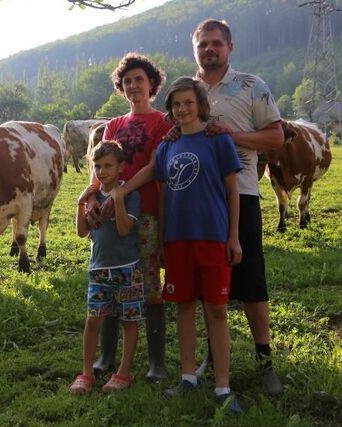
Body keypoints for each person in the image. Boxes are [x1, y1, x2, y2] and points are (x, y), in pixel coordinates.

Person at [190, 19, 284, 395]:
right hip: (197, 201)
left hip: (241, 195)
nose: (209, 50)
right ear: (195, 50)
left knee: (252, 282)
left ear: (230, 47)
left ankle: (265, 362)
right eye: (202, 45)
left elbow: (277, 136)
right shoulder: (187, 90)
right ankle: (214, 357)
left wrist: (234, 135)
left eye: (216, 43)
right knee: (208, 285)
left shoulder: (251, 86)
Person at [79, 52, 172, 381]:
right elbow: (98, 164)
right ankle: (106, 357)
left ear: (152, 85)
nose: (133, 86)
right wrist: (92, 197)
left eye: (139, 80)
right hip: (106, 216)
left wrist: (121, 192)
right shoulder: (114, 125)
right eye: (128, 81)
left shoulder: (163, 122)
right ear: (122, 87)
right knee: (111, 281)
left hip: (144, 213)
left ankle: (156, 363)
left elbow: (153, 166)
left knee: (148, 285)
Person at [155, 76, 243, 413]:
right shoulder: (167, 147)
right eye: (176, 104)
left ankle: (223, 386)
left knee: (217, 310)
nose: (182, 109)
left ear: (200, 104)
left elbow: (232, 192)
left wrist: (233, 236)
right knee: (184, 306)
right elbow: (164, 198)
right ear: (171, 109)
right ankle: (188, 378)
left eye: (188, 102)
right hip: (177, 239)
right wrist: (163, 241)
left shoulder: (218, 141)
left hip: (213, 236)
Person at [69, 141, 145, 394]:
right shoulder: (92, 198)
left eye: (108, 166)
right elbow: (82, 232)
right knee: (93, 321)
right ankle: (87, 373)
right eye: (97, 166)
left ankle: (123, 373)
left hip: (127, 269)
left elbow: (124, 229)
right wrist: (81, 203)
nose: (102, 172)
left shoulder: (131, 195)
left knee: (129, 322)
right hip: (99, 269)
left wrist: (118, 199)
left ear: (121, 167)